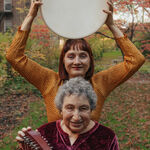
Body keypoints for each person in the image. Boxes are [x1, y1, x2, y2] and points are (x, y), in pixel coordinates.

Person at [6, 0, 145, 122]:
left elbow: (136, 60)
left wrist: (112, 26)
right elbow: (14, 56)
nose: (77, 61)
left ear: (90, 60)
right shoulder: (48, 81)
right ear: (63, 61)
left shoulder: (101, 83)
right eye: (71, 56)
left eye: (83, 56)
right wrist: (30, 17)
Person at [16, 77, 120, 150]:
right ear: (61, 110)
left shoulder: (107, 137)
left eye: (83, 108)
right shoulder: (44, 133)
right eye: (70, 108)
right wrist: (24, 146)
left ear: (91, 110)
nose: (76, 117)